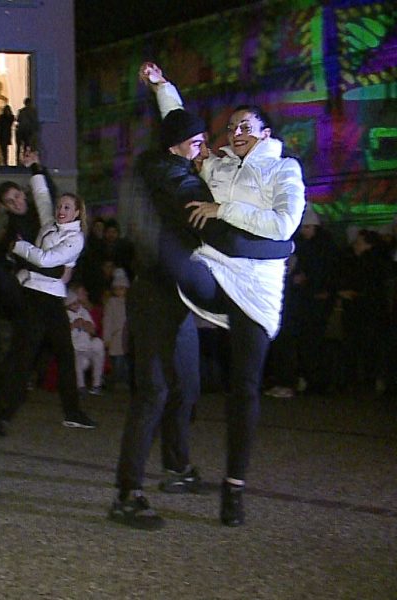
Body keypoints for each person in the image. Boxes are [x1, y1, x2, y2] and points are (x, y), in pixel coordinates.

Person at [140, 61, 305, 527]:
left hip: (258, 288)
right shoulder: (213, 163)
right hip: (214, 270)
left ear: (265, 130)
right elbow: (184, 128)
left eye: (244, 126)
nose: (235, 133)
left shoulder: (284, 169)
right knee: (173, 266)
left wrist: (222, 207)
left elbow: (283, 225)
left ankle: (234, 487)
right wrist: (161, 84)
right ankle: (158, 377)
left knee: (244, 385)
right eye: (230, 127)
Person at [0, 150, 97, 436]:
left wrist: (20, 247)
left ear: (78, 212)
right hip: (34, 296)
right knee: (23, 357)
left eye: (67, 208)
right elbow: (44, 195)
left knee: (63, 353)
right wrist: (34, 167)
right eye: (61, 206)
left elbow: (47, 260)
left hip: (52, 297)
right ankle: (1, 413)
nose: (61, 210)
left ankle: (72, 411)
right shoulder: (47, 223)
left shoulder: (75, 237)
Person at [67, 286, 106, 395]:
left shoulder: (83, 311)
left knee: (98, 343)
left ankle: (97, 384)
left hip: (87, 346)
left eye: (77, 303)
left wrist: (86, 325)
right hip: (75, 348)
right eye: (73, 303)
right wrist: (74, 325)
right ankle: (81, 386)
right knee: (78, 360)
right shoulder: (65, 314)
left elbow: (93, 330)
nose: (77, 305)